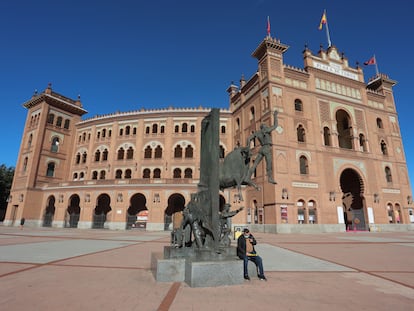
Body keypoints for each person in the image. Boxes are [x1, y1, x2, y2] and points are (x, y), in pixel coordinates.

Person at [246, 110, 278, 184]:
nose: (266, 126)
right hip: (266, 148)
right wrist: (275, 115)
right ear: (264, 126)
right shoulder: (266, 130)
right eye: (265, 125)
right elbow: (275, 125)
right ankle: (270, 178)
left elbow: (249, 138)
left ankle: (248, 177)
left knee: (255, 164)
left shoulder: (257, 132)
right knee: (269, 163)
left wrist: (248, 146)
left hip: (261, 149)